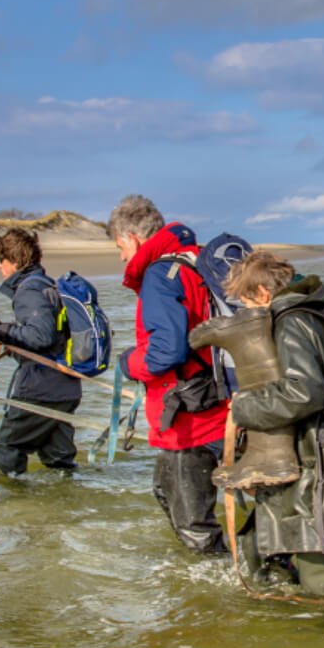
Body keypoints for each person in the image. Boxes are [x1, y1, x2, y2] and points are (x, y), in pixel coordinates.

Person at [224, 250, 324, 603]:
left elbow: (306, 390)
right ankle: (294, 635)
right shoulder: (311, 312)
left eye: (246, 303)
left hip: (320, 461)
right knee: (260, 546)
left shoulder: (291, 320)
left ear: (262, 293)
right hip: (316, 454)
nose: (246, 315)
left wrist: (244, 407)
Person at [107, 194, 228, 553]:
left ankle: (216, 596)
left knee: (194, 529)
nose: (121, 257)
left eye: (119, 247)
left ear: (132, 238)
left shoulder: (160, 274)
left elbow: (167, 351)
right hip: (216, 404)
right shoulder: (196, 260)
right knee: (164, 492)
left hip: (189, 420)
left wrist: (128, 363)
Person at [0, 228, 82, 476]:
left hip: (40, 390)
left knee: (7, 445)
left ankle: (15, 505)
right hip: (65, 388)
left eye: (1, 260)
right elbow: (48, 340)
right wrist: (9, 340)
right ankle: (68, 507)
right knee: (59, 459)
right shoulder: (48, 286)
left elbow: (40, 337)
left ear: (14, 261)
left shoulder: (30, 291)